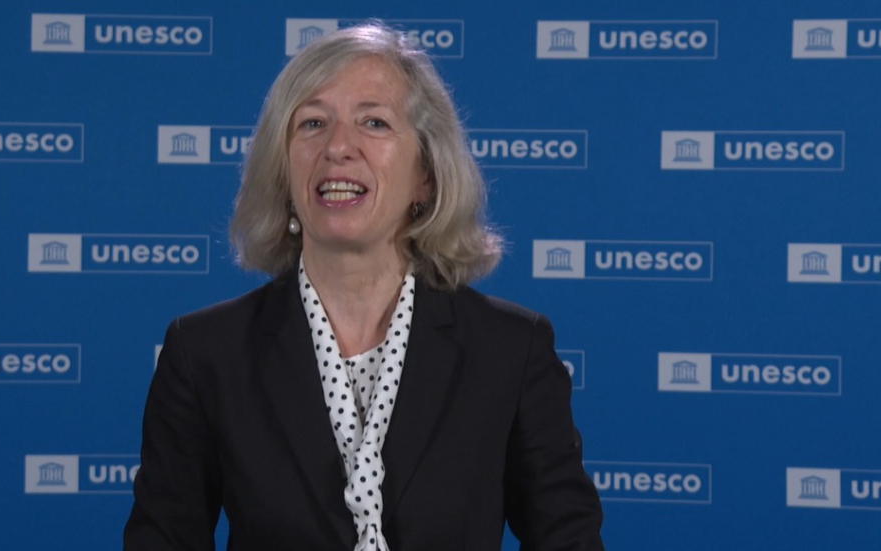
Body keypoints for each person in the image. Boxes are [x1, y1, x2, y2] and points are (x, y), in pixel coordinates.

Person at [124, 22, 604, 551]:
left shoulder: (510, 351)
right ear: (282, 171)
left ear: (426, 176)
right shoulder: (205, 355)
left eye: (374, 122)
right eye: (312, 123)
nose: (338, 147)